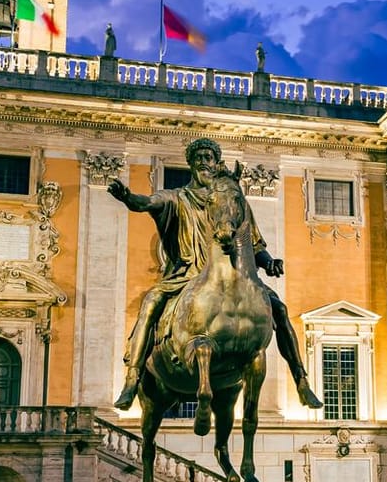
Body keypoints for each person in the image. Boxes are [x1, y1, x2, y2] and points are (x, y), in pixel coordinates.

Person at [108, 138, 323, 410]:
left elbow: (254, 243)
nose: (203, 161)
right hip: (186, 276)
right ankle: (132, 378)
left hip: (234, 278)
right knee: (151, 301)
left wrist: (269, 263)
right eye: (197, 157)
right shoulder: (178, 198)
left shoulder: (232, 200)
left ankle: (301, 380)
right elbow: (148, 202)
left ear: (216, 162)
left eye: (208, 156)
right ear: (190, 164)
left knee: (278, 307)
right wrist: (128, 198)